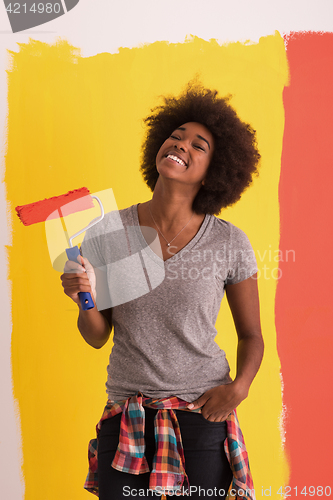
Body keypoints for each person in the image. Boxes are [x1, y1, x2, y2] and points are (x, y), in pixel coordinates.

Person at [61, 82, 264, 499]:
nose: (181, 144)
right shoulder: (109, 232)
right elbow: (99, 336)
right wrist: (84, 299)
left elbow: (251, 335)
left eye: (199, 145)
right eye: (175, 136)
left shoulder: (228, 242)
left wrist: (238, 387)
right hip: (127, 417)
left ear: (216, 170)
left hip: (200, 416)